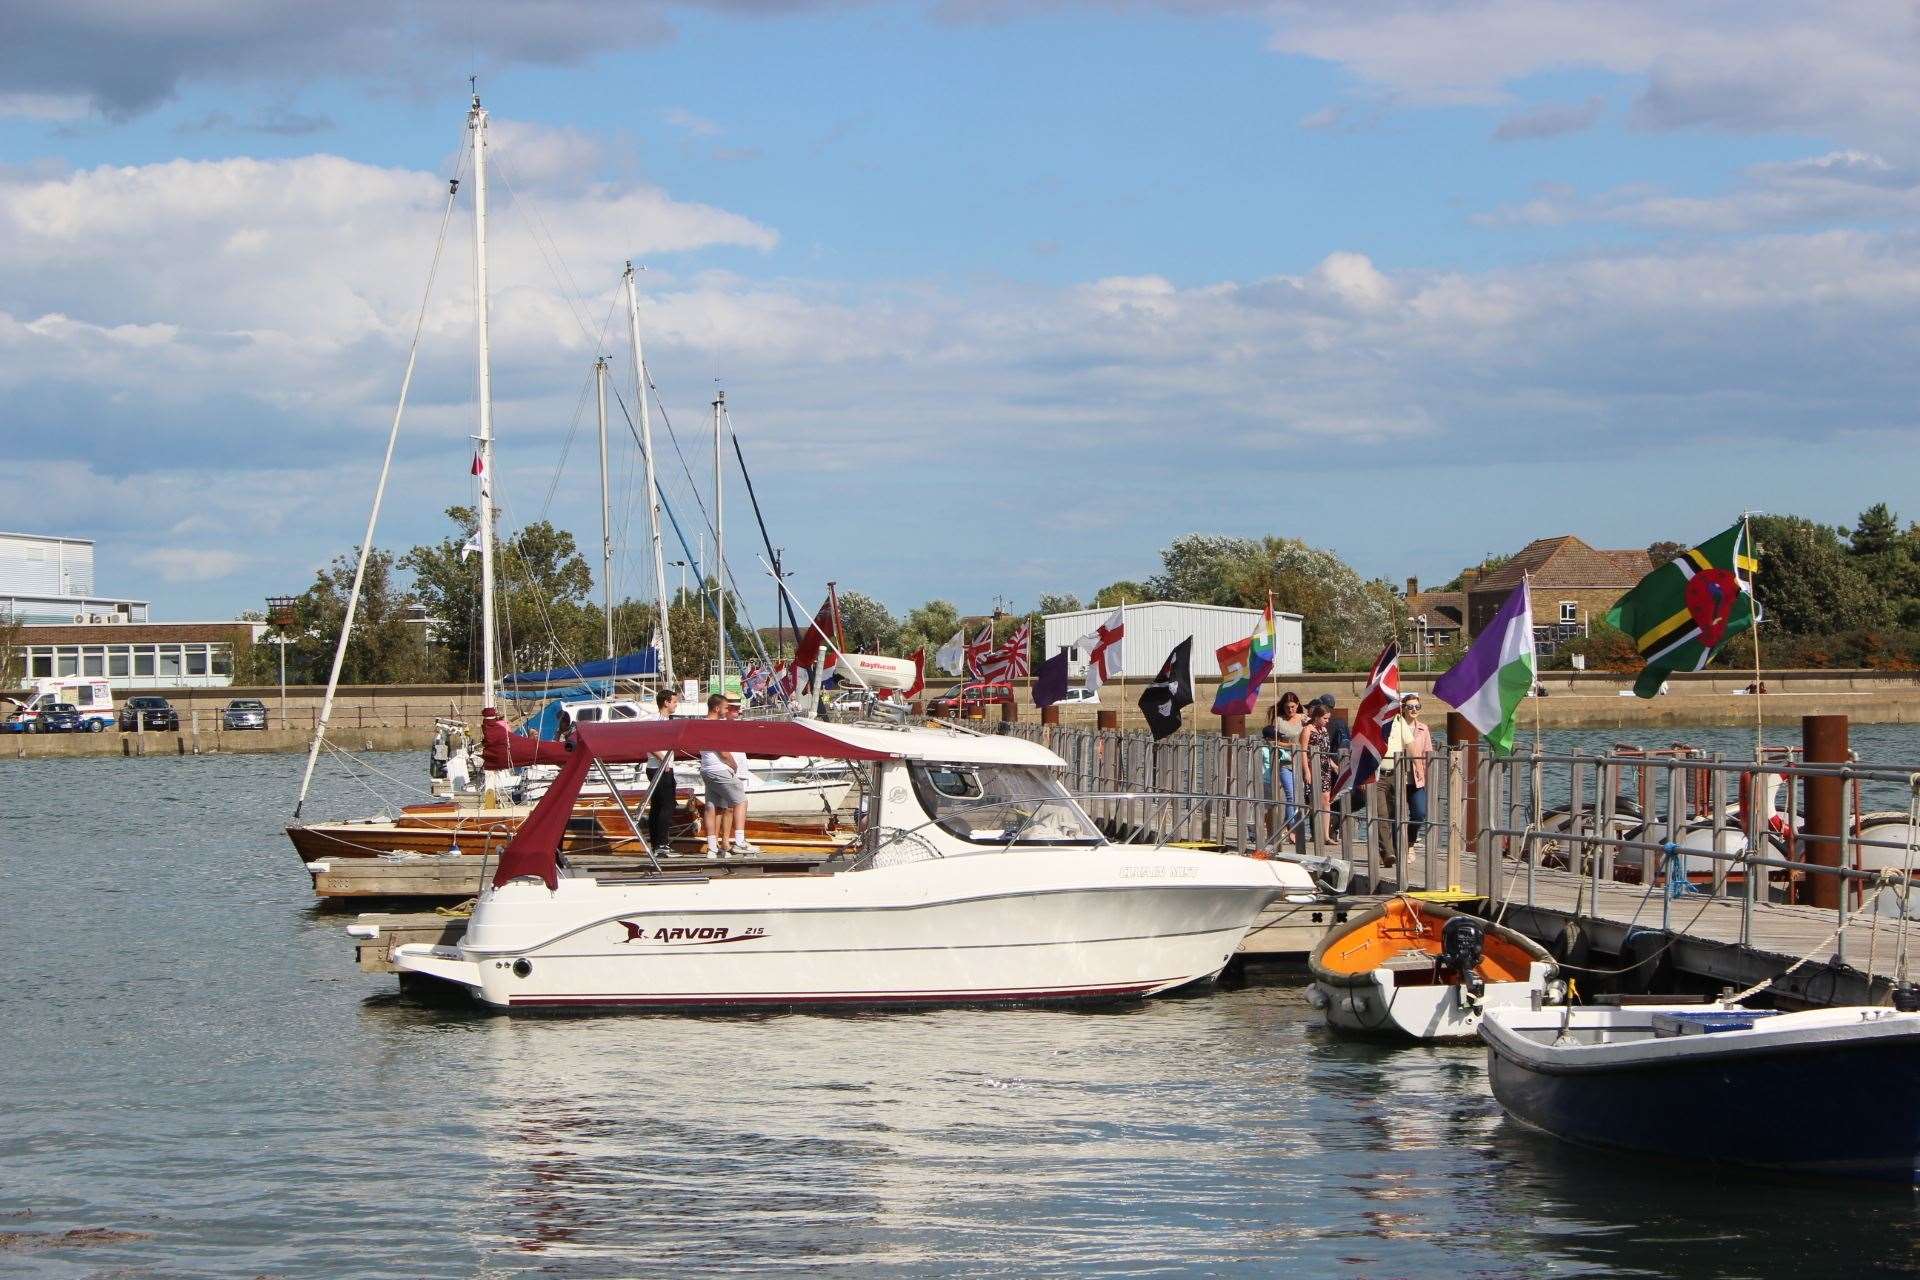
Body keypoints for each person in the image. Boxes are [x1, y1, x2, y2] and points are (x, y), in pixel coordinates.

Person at [696, 694, 748, 858]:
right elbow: (723, 753)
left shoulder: (701, 725)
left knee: (711, 807)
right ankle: (740, 841)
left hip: (706, 769)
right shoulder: (714, 726)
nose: (727, 711)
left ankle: (712, 847)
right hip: (719, 769)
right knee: (740, 800)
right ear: (717, 709)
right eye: (726, 708)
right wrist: (733, 764)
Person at [1379, 693, 1433, 850]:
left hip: (1416, 779)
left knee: (1419, 813)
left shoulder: (1424, 728)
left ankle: (1410, 840)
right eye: (1410, 707)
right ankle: (1396, 848)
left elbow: (1427, 753)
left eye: (1417, 707)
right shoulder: (1394, 724)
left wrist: (1425, 775)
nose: (1414, 710)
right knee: (1394, 814)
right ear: (1403, 708)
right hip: (1398, 776)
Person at [643, 688, 679, 852]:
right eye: (675, 702)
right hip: (660, 768)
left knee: (657, 806)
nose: (676, 705)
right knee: (667, 805)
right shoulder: (657, 720)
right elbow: (649, 743)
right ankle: (662, 844)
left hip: (659, 767)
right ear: (666, 702)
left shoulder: (666, 720)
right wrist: (664, 762)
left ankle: (657, 844)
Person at [722, 696, 758, 855]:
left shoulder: (739, 726)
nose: (739, 711)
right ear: (726, 709)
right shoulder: (721, 725)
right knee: (730, 806)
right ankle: (734, 840)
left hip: (739, 768)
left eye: (739, 708)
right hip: (730, 769)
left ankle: (735, 838)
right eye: (735, 708)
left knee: (734, 805)